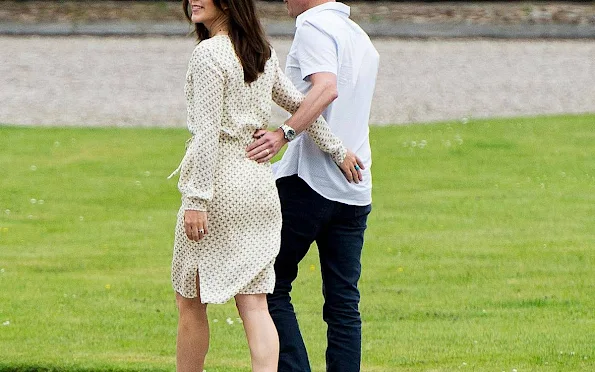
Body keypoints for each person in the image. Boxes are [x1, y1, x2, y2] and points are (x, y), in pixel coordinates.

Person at [171, 1, 363, 371]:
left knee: (190, 300)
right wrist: (338, 150)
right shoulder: (259, 53)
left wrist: (196, 199)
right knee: (255, 303)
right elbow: (300, 104)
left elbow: (207, 134)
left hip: (220, 187)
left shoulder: (209, 53)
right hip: (259, 186)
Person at [246, 0, 379, 371]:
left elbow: (326, 89)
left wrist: (282, 135)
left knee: (265, 286)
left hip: (309, 183)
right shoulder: (358, 36)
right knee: (343, 304)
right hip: (354, 187)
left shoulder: (313, 27)